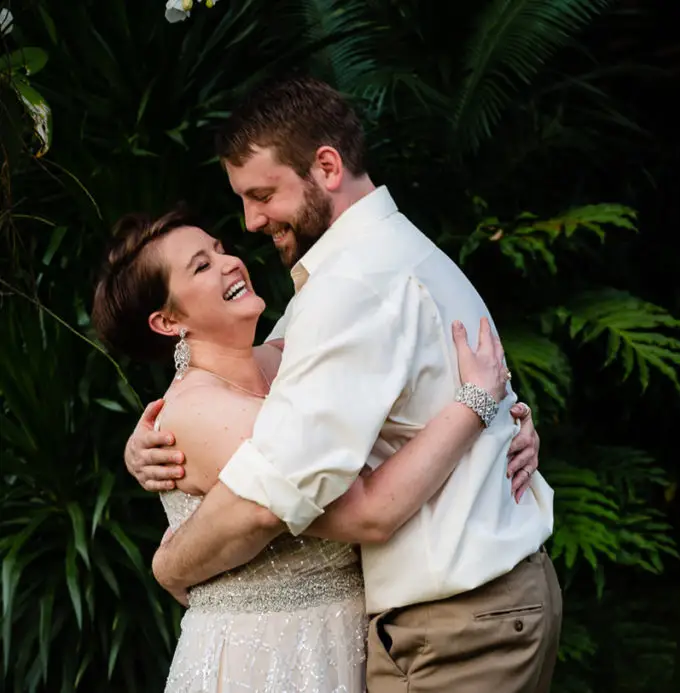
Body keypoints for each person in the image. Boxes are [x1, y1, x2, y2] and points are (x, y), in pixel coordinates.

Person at [123, 74, 562, 692]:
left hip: (461, 622)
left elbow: (269, 501)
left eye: (262, 194)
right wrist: (141, 445)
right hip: (450, 615)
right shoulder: (367, 266)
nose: (250, 224)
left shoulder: (352, 288)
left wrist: (171, 563)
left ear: (326, 166)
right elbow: (249, 381)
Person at [94, 210, 538, 691]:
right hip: (269, 656)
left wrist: (509, 422)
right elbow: (366, 510)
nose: (230, 264)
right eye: (201, 266)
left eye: (220, 249)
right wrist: (475, 403)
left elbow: (404, 380)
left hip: (352, 637)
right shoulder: (199, 412)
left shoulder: (288, 356)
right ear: (167, 321)